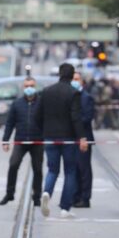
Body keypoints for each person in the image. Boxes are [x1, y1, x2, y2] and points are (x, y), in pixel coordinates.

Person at [35, 63, 88, 218]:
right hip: (68, 139)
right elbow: (76, 118)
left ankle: (46, 192)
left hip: (50, 137)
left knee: (52, 169)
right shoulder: (74, 93)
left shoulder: (46, 92)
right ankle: (65, 208)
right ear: (72, 76)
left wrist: (44, 131)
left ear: (59, 74)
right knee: (70, 172)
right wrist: (82, 138)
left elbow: (37, 116)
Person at [0, 77, 44, 206]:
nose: (29, 88)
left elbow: (47, 122)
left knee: (37, 169)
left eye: (31, 85)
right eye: (26, 86)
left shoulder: (41, 103)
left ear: (35, 87)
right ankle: (9, 194)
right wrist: (5, 140)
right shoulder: (17, 103)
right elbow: (10, 123)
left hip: (37, 141)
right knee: (13, 165)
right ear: (23, 88)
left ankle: (36, 197)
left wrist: (47, 138)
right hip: (21, 140)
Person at [72, 72, 95, 208]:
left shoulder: (86, 98)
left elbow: (87, 117)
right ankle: (75, 196)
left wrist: (74, 123)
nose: (75, 81)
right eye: (73, 79)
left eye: (77, 79)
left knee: (84, 169)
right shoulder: (70, 96)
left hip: (84, 138)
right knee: (73, 168)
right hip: (72, 139)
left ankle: (85, 198)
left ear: (82, 82)